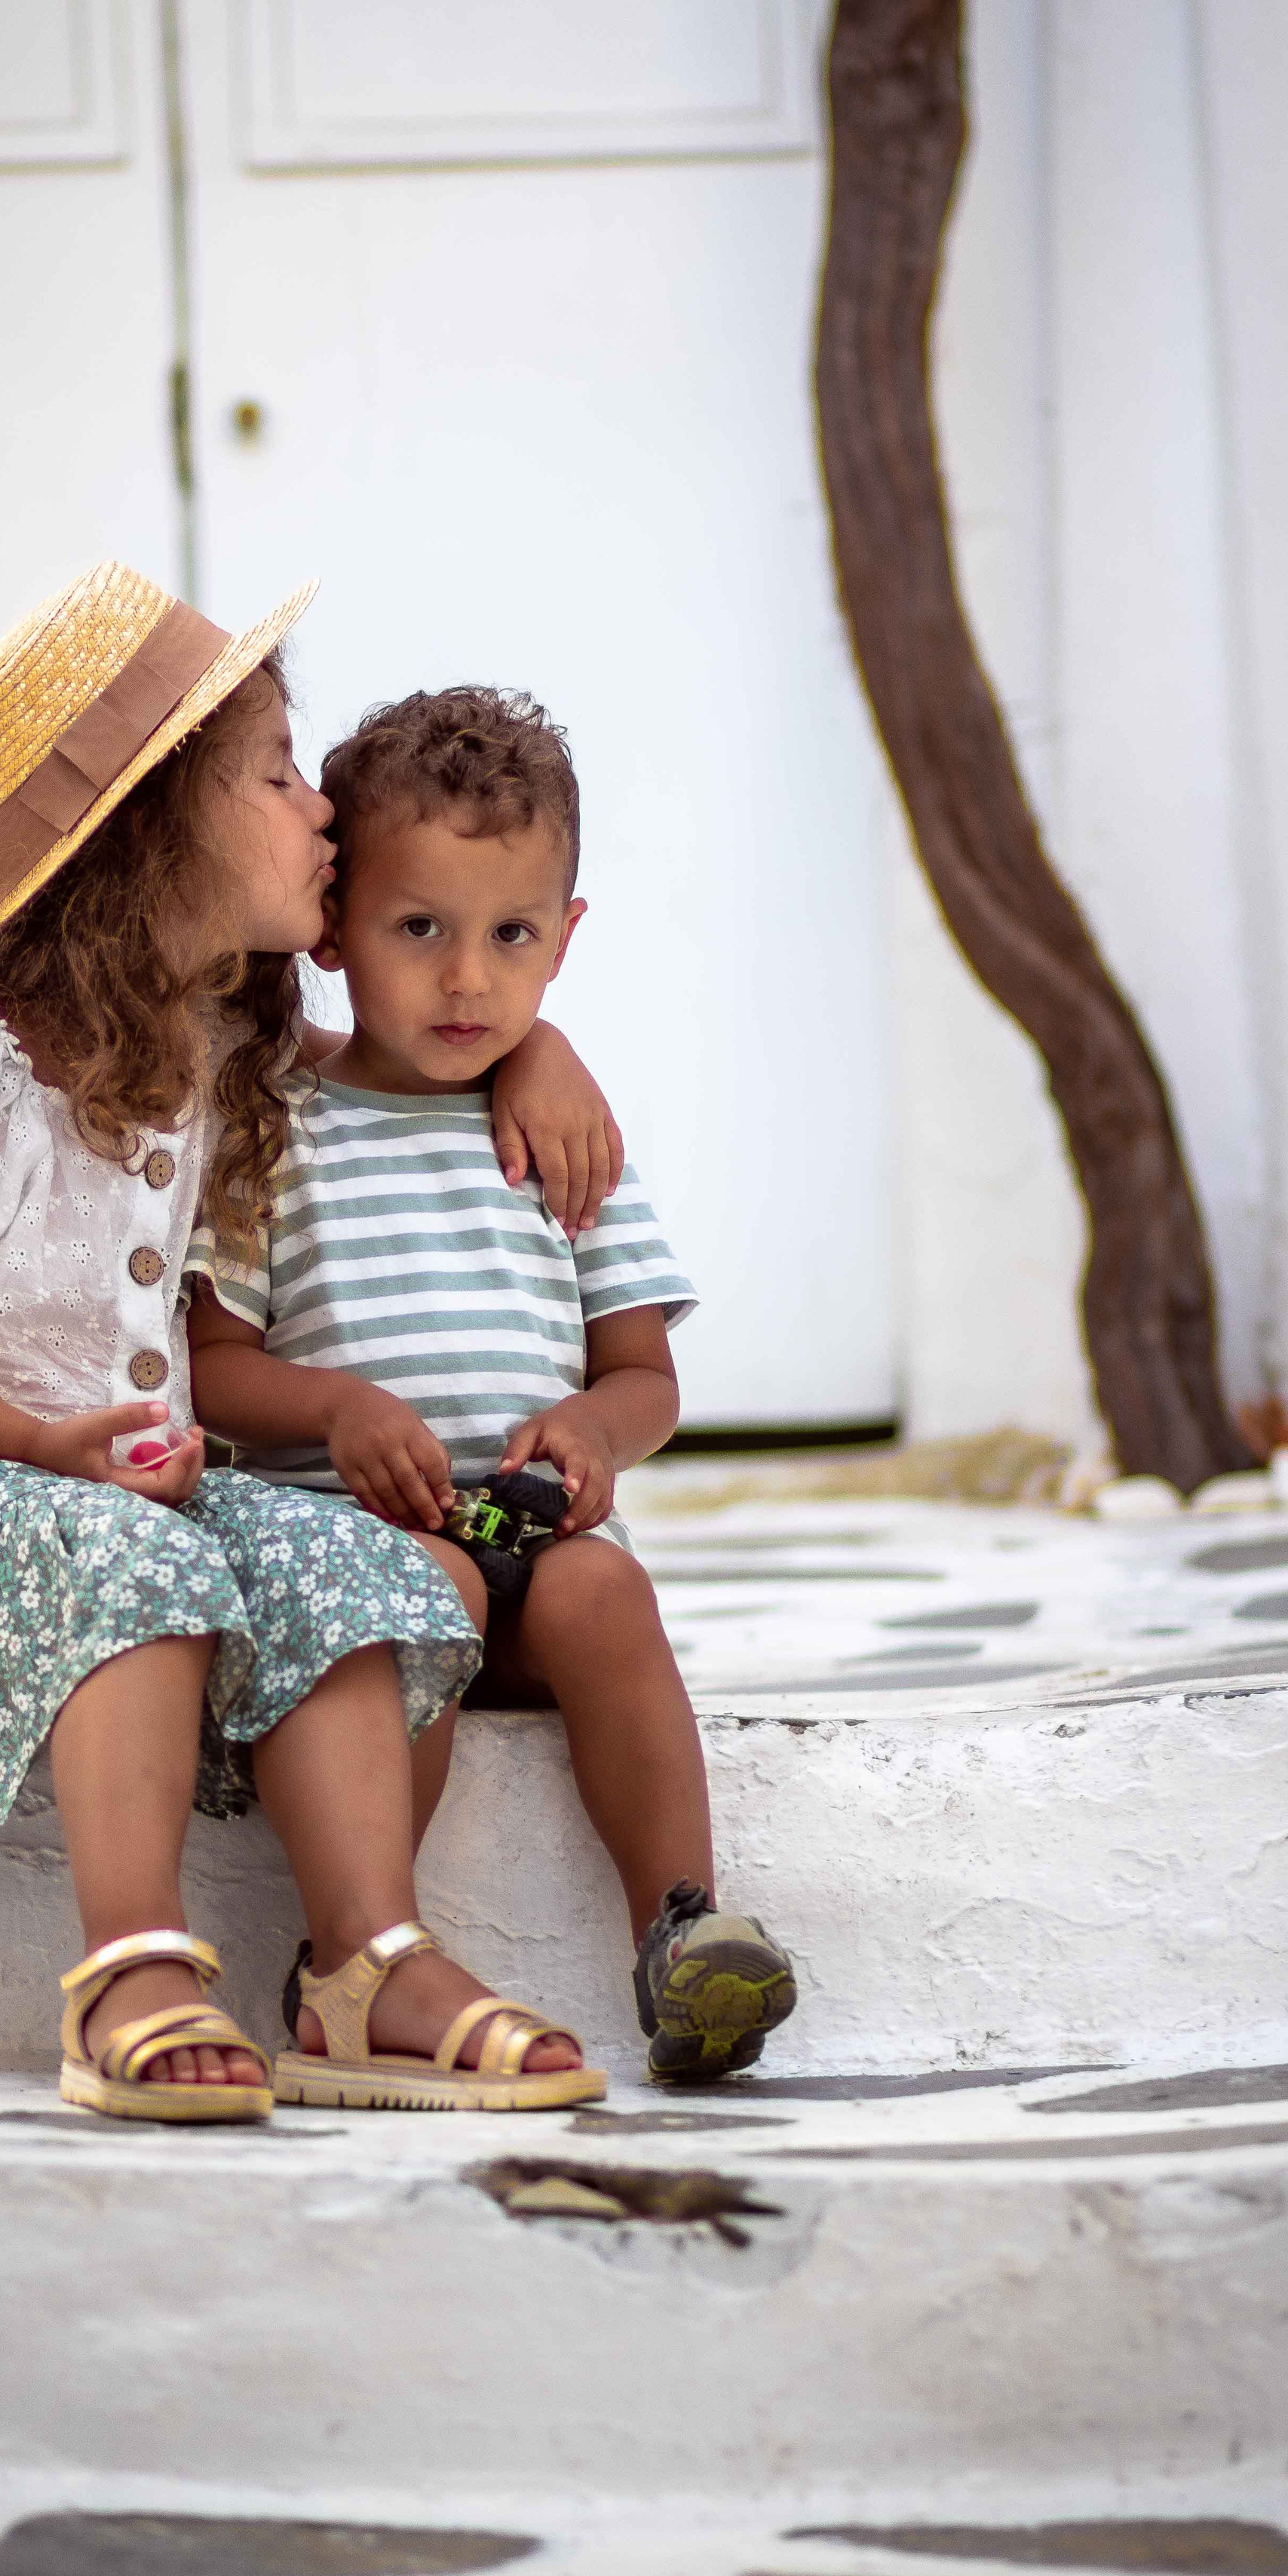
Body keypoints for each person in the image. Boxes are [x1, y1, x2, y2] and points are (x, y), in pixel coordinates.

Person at [0, 569, 626, 2122]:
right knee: (124, 1557)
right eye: (276, 776)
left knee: (364, 1569)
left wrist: (541, 1044)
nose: (320, 813)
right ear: (151, 830)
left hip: (118, 1489)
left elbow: (424, 1035)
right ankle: (132, 1966)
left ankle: (362, 1969)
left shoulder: (218, 1034)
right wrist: (32, 1444)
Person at [187, 686, 796, 2083]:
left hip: (537, 1550)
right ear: (332, 927)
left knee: (603, 1588)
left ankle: (682, 1928)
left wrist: (592, 1429)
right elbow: (213, 1367)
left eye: (512, 936)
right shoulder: (273, 1127)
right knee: (433, 1588)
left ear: (567, 936)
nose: (469, 982)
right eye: (421, 932)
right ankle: (357, 1947)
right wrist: (334, 1409)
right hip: (374, 1560)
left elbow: (645, 1375)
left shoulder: (564, 1137)